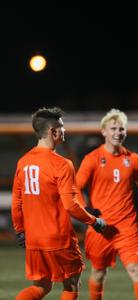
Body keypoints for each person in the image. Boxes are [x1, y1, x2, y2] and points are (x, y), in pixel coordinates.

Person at [11, 107, 106, 300]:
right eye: (62, 127)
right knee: (71, 284)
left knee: (41, 286)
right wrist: (94, 221)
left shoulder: (23, 162)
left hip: (34, 239)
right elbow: (70, 205)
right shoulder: (62, 164)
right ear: (53, 131)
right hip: (58, 238)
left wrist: (20, 230)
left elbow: (17, 201)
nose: (65, 131)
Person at [76, 108, 138, 300]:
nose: (118, 133)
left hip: (128, 229)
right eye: (113, 128)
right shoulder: (92, 159)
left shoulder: (134, 160)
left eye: (121, 129)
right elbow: (75, 188)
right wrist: (86, 209)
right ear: (103, 131)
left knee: (137, 271)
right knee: (99, 273)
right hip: (100, 228)